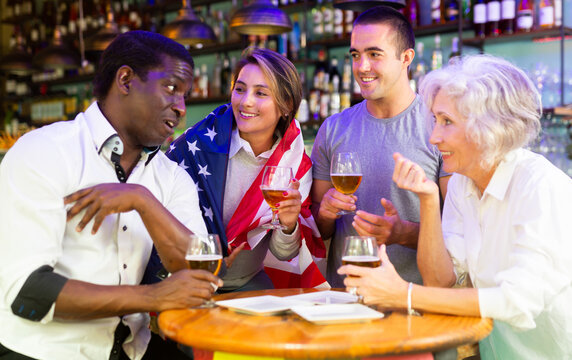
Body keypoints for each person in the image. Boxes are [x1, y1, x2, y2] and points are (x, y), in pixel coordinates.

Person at [0, 31, 222, 360]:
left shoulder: (171, 176)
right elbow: (27, 292)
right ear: (126, 79)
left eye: (185, 96)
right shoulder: (44, 151)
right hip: (44, 350)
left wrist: (141, 200)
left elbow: (193, 267)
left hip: (132, 349)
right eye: (172, 89)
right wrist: (151, 297)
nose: (181, 109)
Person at [339, 54, 572, 359]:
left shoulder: (541, 187)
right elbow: (441, 281)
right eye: (435, 120)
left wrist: (403, 294)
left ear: (490, 126)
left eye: (447, 121)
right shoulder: (464, 182)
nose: (434, 137)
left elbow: (517, 301)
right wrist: (428, 200)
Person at [310, 5, 450, 288]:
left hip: (418, 302)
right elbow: (315, 227)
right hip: (346, 302)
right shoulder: (334, 128)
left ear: (406, 58)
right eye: (355, 55)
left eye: (374, 54)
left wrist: (403, 232)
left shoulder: (439, 126)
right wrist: (324, 212)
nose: (362, 67)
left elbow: (459, 229)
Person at [167, 47, 327, 292]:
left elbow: (284, 254)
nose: (245, 101)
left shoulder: (295, 164)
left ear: (286, 105)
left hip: (247, 284)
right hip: (186, 280)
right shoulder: (196, 147)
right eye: (239, 89)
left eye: (261, 93)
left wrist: (288, 225)